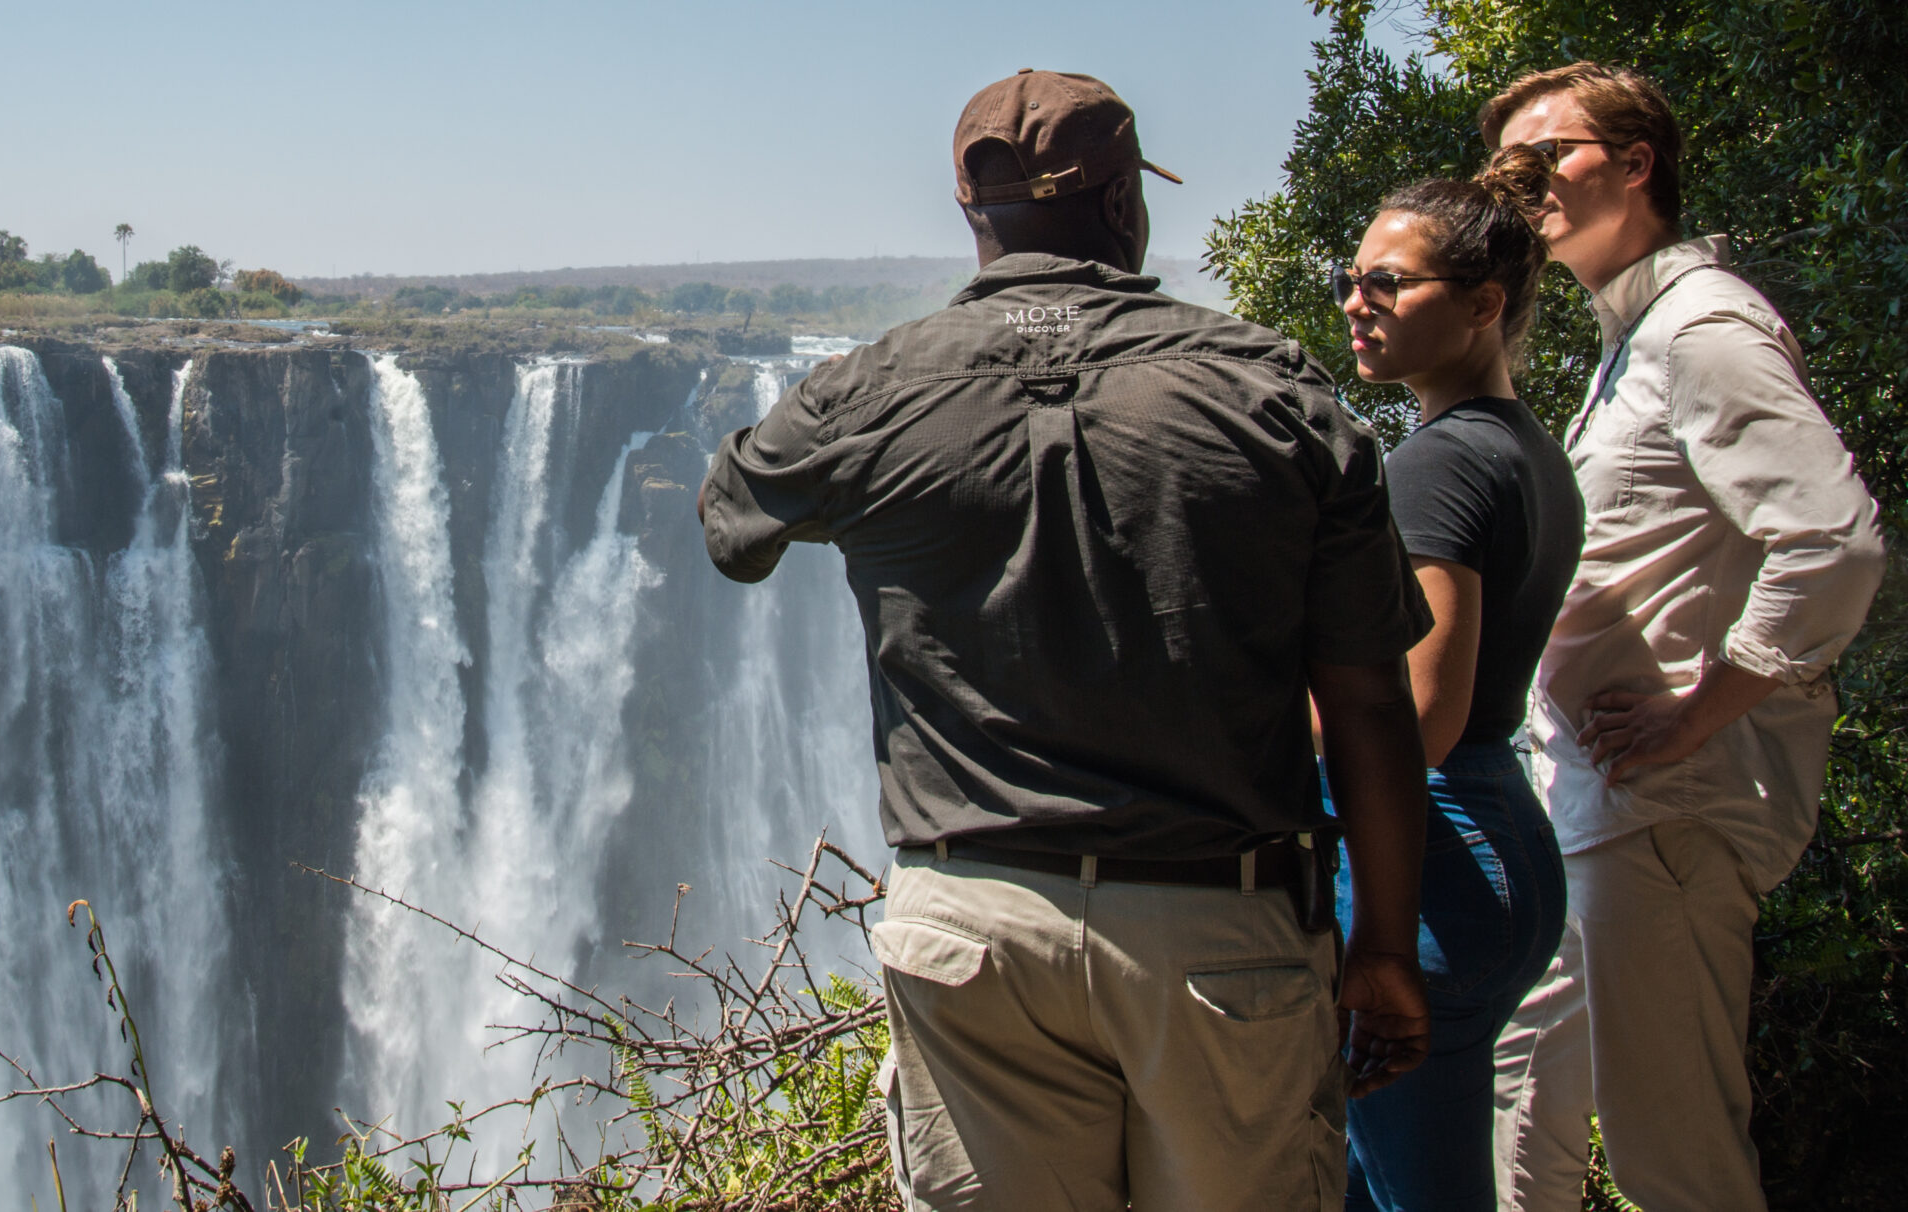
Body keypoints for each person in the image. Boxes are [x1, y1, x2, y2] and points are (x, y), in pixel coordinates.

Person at [698, 69, 1435, 1211]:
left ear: (969, 212)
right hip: (1218, 927)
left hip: (968, 929)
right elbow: (1372, 706)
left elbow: (731, 525)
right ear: (1123, 202)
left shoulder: (866, 391)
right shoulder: (1273, 391)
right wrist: (1384, 947)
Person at [1480, 63, 1886, 1212]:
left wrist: (1694, 711)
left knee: (1673, 1158)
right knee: (1524, 1107)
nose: (1527, 186)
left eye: (1548, 155)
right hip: (1593, 804)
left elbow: (1831, 542)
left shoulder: (1702, 330)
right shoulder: (1632, 341)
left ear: (1635, 162)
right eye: (1509, 169)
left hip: (1666, 807)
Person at [1325, 146, 1581, 1212]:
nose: (1356, 302)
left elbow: (1419, 715)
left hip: (1428, 851)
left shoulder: (1436, 463)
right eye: (1348, 280)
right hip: (1498, 835)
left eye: (1388, 283)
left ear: (1481, 303)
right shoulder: (1525, 449)